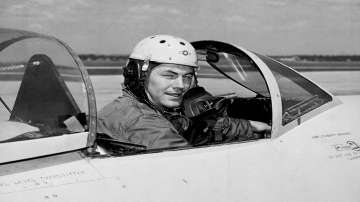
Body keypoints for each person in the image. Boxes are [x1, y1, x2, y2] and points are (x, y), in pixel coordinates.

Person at [97, 34, 270, 150]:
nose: (181, 85)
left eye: (187, 77)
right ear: (138, 75)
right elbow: (190, 170)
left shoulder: (147, 109)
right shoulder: (142, 122)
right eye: (169, 75)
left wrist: (250, 127)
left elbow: (194, 129)